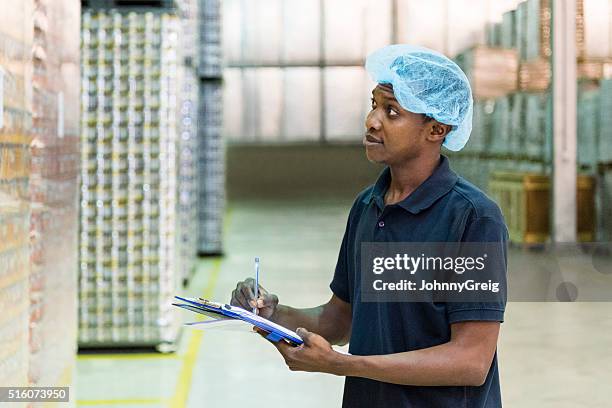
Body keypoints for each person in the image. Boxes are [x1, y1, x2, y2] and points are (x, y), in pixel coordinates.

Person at [231, 44, 508, 407]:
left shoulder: (472, 218)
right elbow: (339, 320)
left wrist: (344, 364)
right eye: (373, 104)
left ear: (436, 129)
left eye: (391, 111)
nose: (372, 120)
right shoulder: (367, 206)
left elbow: (470, 361)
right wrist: (273, 315)